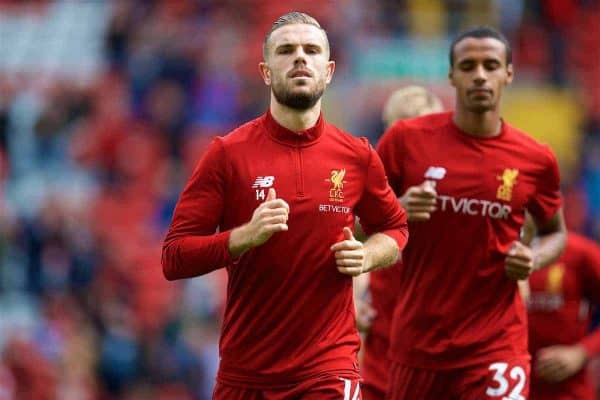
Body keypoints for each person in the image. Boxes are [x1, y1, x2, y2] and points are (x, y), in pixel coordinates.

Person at [161, 12, 408, 400]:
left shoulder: (357, 155)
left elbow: (396, 229)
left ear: (328, 71)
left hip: (329, 368)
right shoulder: (227, 154)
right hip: (246, 373)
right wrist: (242, 237)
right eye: (286, 50)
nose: (299, 59)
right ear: (265, 71)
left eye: (311, 50)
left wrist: (366, 255)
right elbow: (174, 257)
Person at [376, 26, 567, 399]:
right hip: (419, 346)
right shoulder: (405, 140)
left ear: (508, 74)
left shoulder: (535, 158)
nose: (480, 74)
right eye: (468, 65)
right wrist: (397, 210)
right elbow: (355, 220)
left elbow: (555, 232)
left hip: (497, 345)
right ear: (452, 75)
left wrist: (534, 256)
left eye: (491, 65)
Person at [355, 85, 444, 400]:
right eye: (402, 132)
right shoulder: (368, 190)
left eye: (425, 130)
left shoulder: (468, 194)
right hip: (384, 369)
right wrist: (351, 302)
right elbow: (339, 243)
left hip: (449, 365)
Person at [527, 230, 600, 400]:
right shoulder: (500, 252)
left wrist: (581, 352)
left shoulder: (582, 252)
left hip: (568, 390)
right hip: (512, 384)